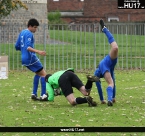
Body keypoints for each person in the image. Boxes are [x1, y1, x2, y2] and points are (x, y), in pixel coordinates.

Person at [15, 18, 47, 101]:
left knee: (38, 73)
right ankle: (43, 95)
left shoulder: (22, 32)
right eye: (35, 27)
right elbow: (28, 47)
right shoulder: (29, 34)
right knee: (44, 75)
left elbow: (17, 46)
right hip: (31, 58)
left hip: (24, 59)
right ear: (30, 26)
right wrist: (38, 51)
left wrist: (23, 51)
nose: (36, 29)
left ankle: (34, 93)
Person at [89, 19, 118, 106]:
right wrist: (102, 99)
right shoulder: (97, 72)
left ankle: (110, 99)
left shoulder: (101, 70)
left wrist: (112, 97)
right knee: (115, 48)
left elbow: (113, 81)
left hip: (108, 63)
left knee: (111, 82)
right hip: (108, 62)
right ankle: (105, 29)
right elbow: (98, 85)